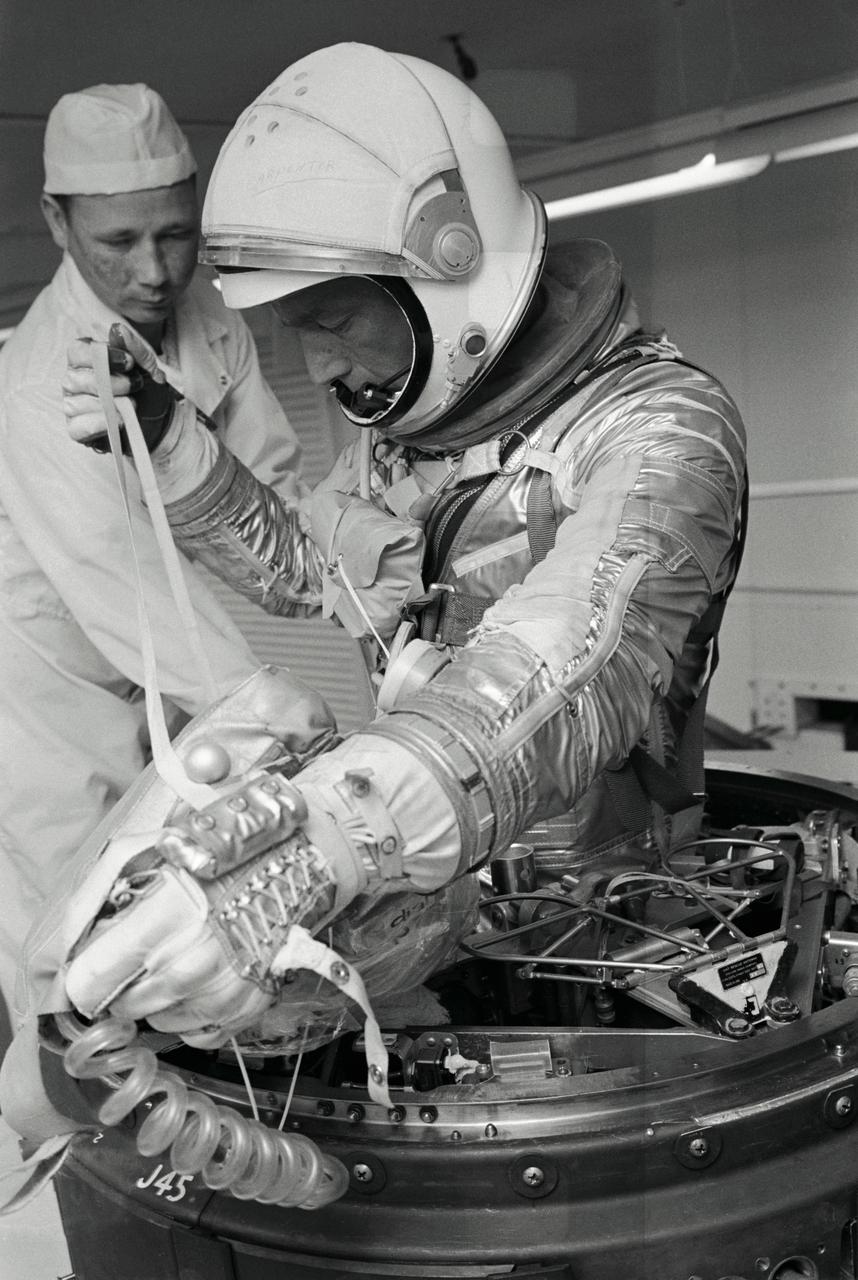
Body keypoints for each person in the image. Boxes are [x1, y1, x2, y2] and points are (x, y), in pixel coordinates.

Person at [1, 44, 746, 1141]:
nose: (314, 360)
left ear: (443, 268)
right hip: (439, 905)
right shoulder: (413, 447)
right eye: (297, 326)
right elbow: (322, 578)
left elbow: (567, 658)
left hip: (603, 920)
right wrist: (175, 446)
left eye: (333, 316)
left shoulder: (659, 433)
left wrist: (329, 835)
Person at [0, 83, 328, 1020]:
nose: (154, 270)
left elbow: (271, 519)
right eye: (118, 243)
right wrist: (297, 734)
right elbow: (127, 596)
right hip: (54, 684)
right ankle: (53, 1160)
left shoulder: (213, 322)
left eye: (175, 233)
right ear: (57, 225)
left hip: (180, 668)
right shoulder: (39, 387)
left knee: (201, 925)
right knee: (73, 957)